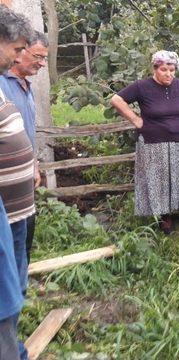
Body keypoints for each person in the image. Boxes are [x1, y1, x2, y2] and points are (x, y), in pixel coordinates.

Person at [110, 50, 179, 234]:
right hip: (154, 143)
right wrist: (136, 120)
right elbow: (116, 99)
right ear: (155, 69)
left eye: (172, 70)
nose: (169, 74)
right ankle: (165, 216)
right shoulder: (142, 86)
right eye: (164, 70)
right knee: (160, 180)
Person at [0, 6, 34, 360]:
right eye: (17, 48)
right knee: (4, 292)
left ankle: (14, 343)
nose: (18, 55)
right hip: (4, 216)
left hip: (14, 210)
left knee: (13, 284)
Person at [0, 30, 48, 264]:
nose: (42, 63)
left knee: (25, 233)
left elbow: (27, 132)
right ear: (19, 52)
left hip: (25, 176)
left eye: (44, 58)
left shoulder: (26, 87)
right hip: (5, 180)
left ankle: (20, 288)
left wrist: (34, 164)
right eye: (38, 56)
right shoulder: (1, 84)